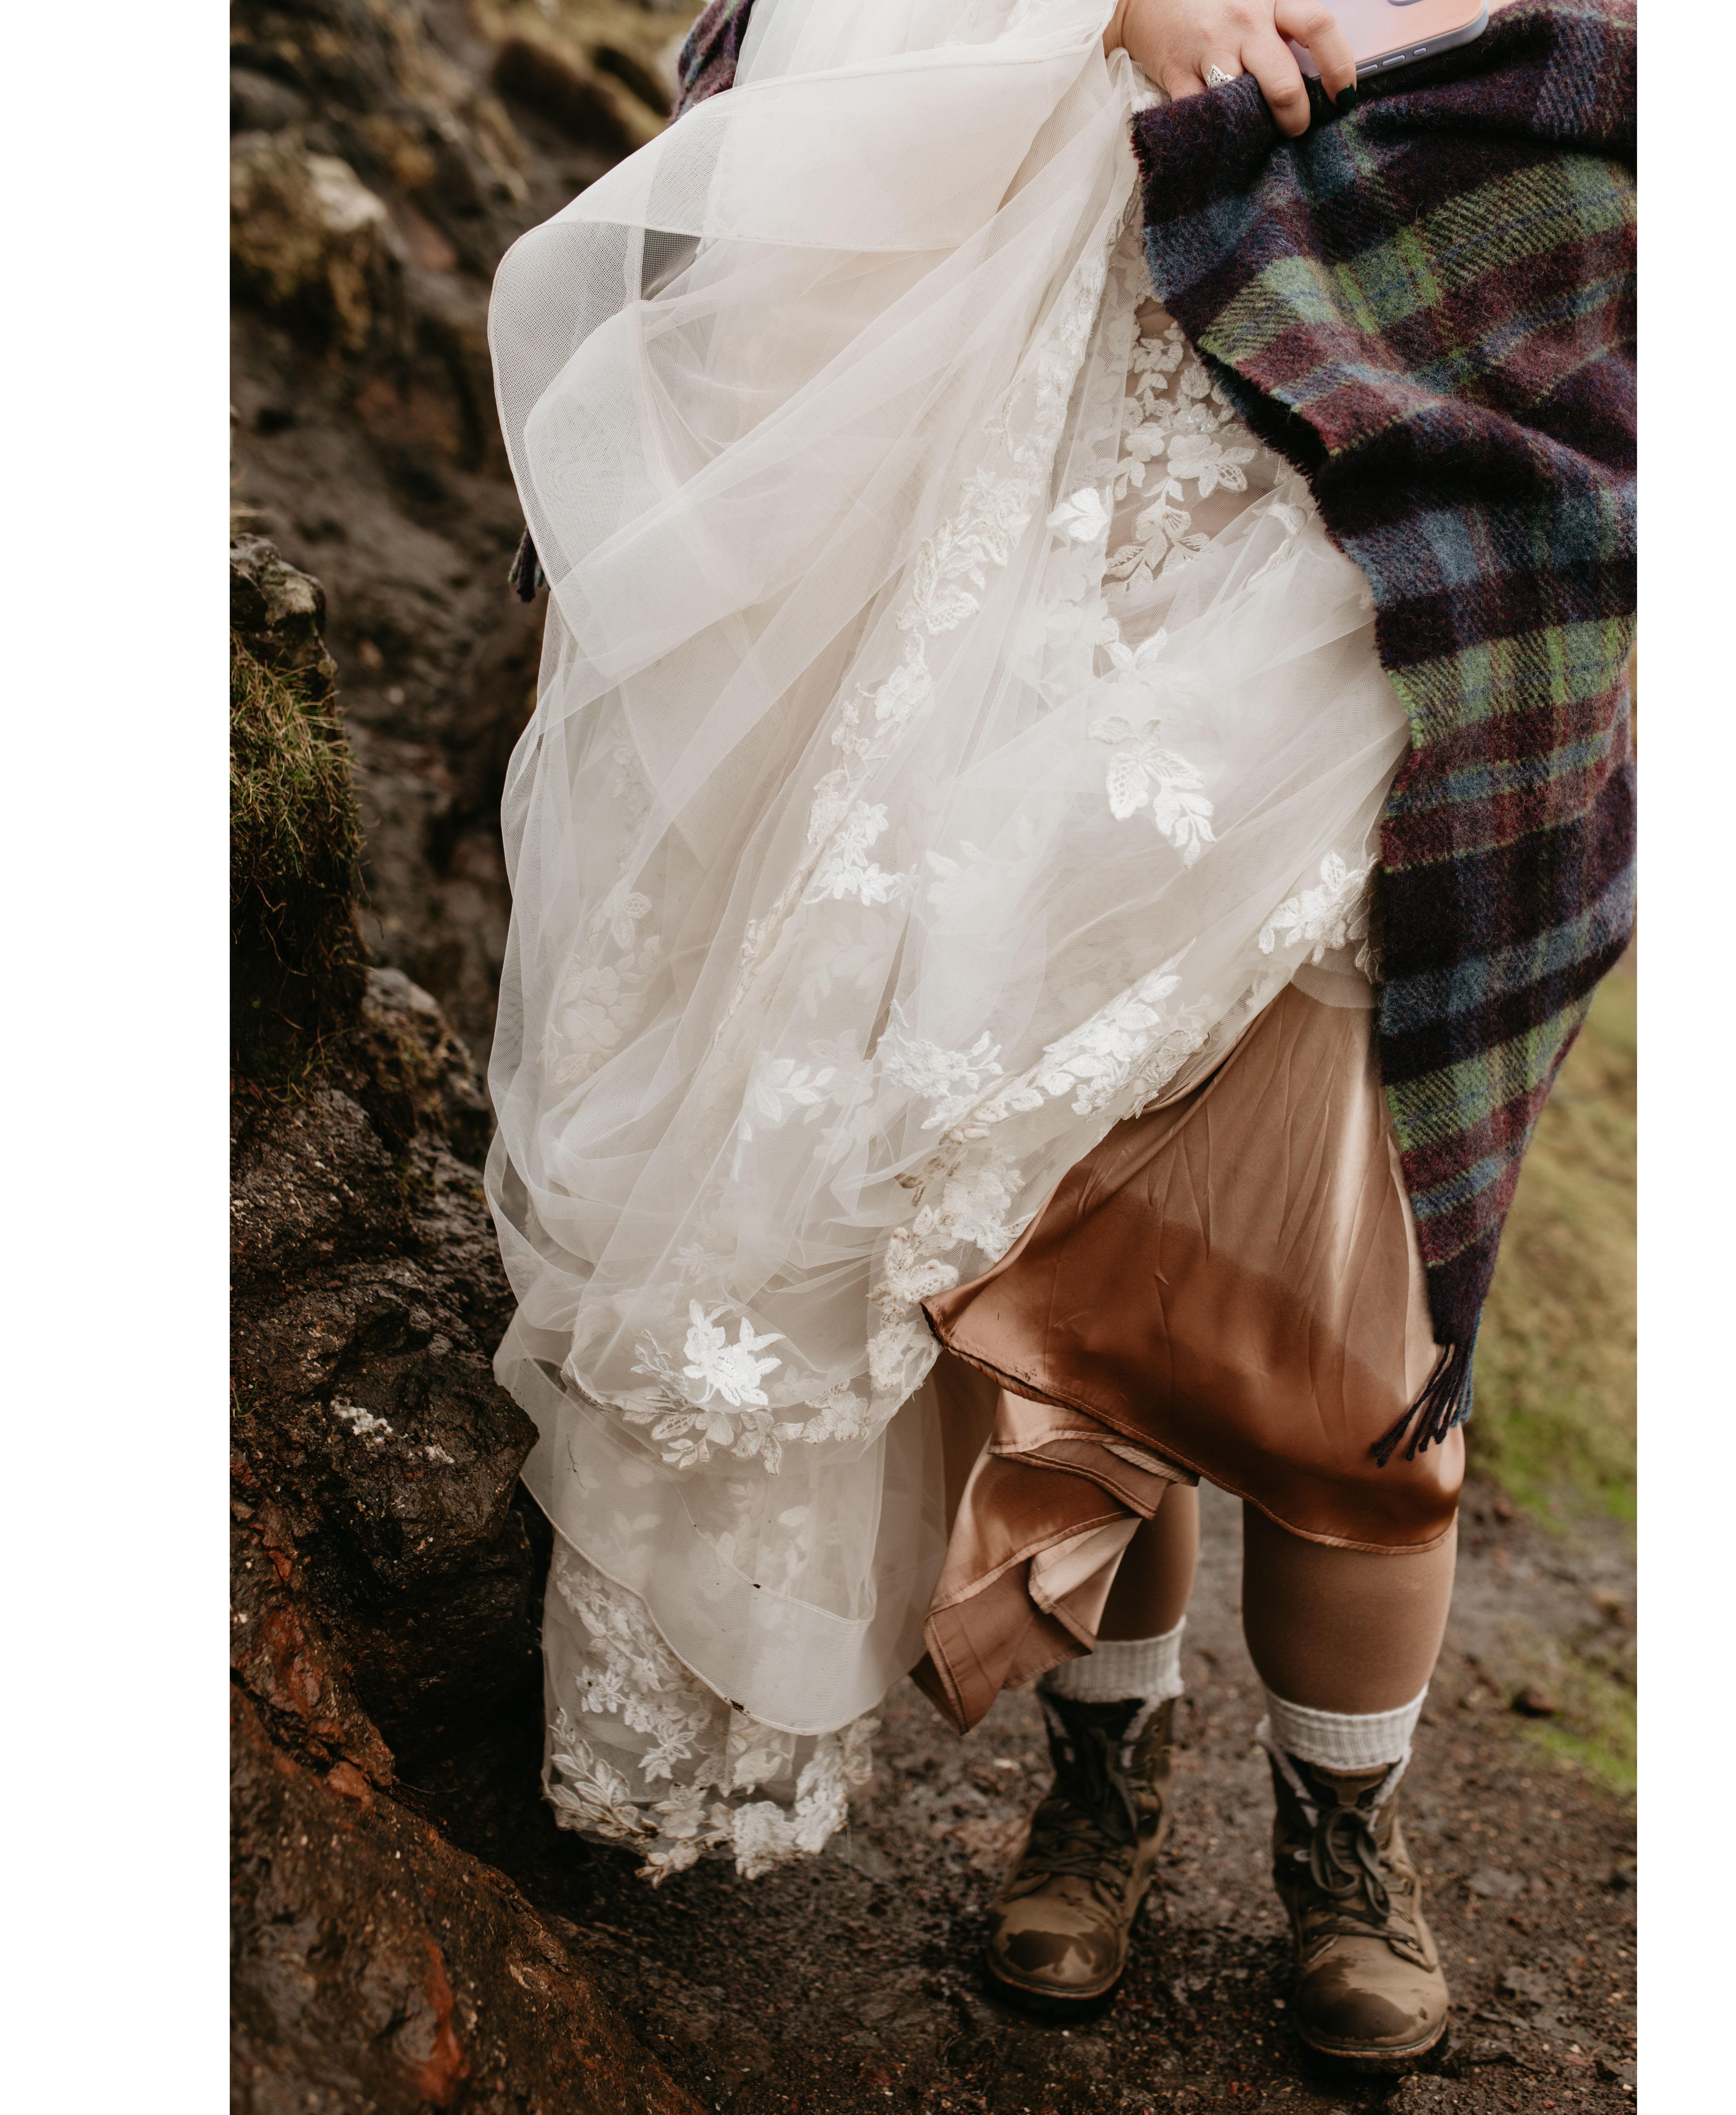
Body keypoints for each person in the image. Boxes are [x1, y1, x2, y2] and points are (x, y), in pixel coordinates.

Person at [484, 0, 1633, 2073]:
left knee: (1358, 1327)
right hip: (1109, 396)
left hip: (1465, 443)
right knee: (1087, 1237)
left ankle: (1344, 1842)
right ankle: (1103, 1789)